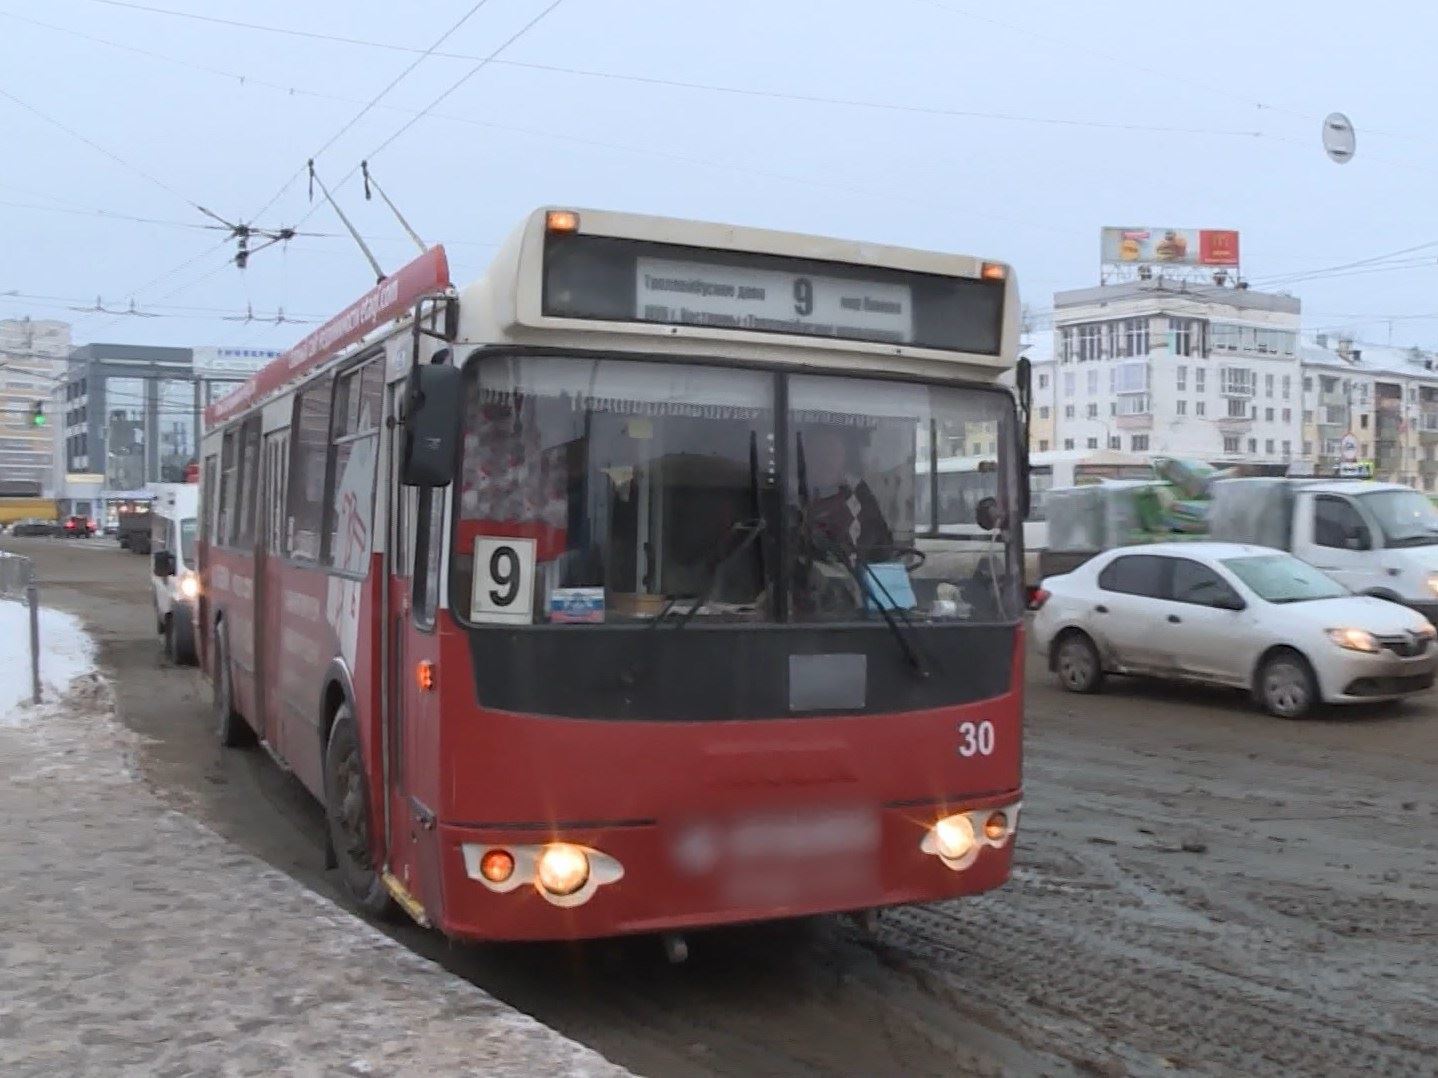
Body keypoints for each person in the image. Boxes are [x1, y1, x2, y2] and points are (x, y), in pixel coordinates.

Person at [800, 426, 895, 560]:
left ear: (845, 458)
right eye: (819, 454)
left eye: (833, 454)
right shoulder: (792, 498)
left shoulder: (860, 496)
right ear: (807, 459)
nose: (827, 462)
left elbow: (881, 549)